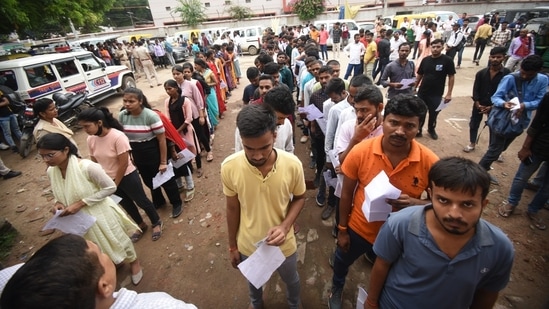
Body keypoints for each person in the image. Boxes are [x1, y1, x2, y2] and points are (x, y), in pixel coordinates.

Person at [328, 94, 439, 309]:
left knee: (389, 269)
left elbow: (441, 203)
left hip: (403, 235)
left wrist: (416, 203)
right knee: (342, 260)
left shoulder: (430, 162)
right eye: (394, 122)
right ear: (383, 120)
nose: (399, 131)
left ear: (418, 128)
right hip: (360, 228)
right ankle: (337, 286)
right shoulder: (361, 150)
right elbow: (347, 193)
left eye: (409, 125)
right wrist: (342, 229)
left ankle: (377, 297)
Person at [364, 157, 514, 309]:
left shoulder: (499, 248)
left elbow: (488, 293)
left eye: (467, 204)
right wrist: (371, 302)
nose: (454, 214)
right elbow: (382, 264)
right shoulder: (400, 224)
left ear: (483, 204)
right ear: (431, 195)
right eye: (443, 201)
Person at [222, 104, 306, 309]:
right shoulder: (229, 167)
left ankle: (294, 304)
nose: (257, 156)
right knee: (254, 281)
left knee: (291, 279)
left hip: (284, 245)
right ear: (241, 139)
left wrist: (285, 227)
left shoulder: (293, 164)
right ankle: (256, 303)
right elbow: (232, 209)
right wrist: (233, 246)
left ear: (275, 136)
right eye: (249, 148)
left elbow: (300, 197)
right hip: (248, 245)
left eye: (264, 147)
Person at [35, 133, 144, 285]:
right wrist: (58, 203)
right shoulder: (51, 171)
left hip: (100, 214)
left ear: (66, 150)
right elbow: (59, 191)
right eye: (42, 156)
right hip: (79, 220)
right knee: (94, 246)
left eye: (50, 155)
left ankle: (134, 263)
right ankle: (114, 262)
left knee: (117, 239)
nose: (46, 160)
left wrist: (81, 203)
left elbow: (110, 188)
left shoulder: (87, 167)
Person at [0, 234, 197, 309]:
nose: (105, 254)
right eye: (100, 253)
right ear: (104, 286)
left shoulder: (12, 283)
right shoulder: (160, 306)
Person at [77, 108, 164, 242]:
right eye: (83, 127)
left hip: (127, 176)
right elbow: (94, 159)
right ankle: (140, 224)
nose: (85, 130)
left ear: (99, 123)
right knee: (126, 204)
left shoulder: (117, 136)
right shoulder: (91, 139)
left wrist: (114, 184)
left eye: (87, 126)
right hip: (108, 179)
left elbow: (123, 164)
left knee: (141, 201)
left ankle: (156, 222)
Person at [478, 55, 548, 184]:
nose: (525, 77)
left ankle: (483, 170)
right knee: (494, 151)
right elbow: (496, 97)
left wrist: (525, 105)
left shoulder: (543, 80)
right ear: (520, 67)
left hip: (520, 122)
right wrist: (504, 104)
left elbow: (541, 101)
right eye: (523, 73)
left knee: (501, 148)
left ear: (538, 72)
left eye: (530, 74)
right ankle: (478, 175)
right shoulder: (510, 78)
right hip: (501, 120)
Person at [118, 88, 184, 218]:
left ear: (140, 101)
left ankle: (176, 203)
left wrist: (163, 162)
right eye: (125, 101)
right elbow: (124, 138)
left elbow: (161, 140)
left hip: (153, 150)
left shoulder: (151, 116)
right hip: (137, 151)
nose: (127, 104)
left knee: (166, 179)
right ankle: (159, 201)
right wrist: (131, 157)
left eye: (131, 101)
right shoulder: (123, 116)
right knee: (149, 180)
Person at [497, 91, 549, 229]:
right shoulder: (548, 96)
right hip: (539, 147)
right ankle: (512, 202)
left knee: (547, 188)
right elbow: (537, 123)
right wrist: (526, 146)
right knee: (522, 177)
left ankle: (534, 210)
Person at [463, 47, 511, 153]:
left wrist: (493, 106)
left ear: (504, 58)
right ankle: (472, 143)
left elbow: (507, 93)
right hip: (479, 103)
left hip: (496, 106)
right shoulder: (481, 73)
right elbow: (476, 89)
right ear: (489, 57)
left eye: (498, 57)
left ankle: (493, 149)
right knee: (474, 123)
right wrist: (477, 103)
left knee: (494, 127)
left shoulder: (507, 74)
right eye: (493, 57)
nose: (495, 59)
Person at [163, 79, 199, 203]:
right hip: (174, 134)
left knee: (187, 156)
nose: (168, 91)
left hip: (185, 131)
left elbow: (188, 118)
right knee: (178, 159)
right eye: (166, 89)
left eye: (170, 88)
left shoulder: (185, 101)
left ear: (176, 88)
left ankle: (190, 184)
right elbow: (168, 119)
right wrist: (172, 133)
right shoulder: (167, 102)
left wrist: (177, 132)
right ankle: (180, 184)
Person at [415, 39, 455, 140]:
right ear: (430, 47)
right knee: (420, 112)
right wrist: (414, 87)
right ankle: (419, 130)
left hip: (436, 94)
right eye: (433, 47)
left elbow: (451, 77)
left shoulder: (447, 60)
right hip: (423, 92)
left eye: (438, 47)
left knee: (434, 113)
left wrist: (449, 93)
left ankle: (431, 129)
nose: (435, 49)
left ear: (442, 47)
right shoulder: (425, 60)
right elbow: (420, 74)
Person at [235, 86, 295, 153]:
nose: (282, 122)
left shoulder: (286, 124)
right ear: (266, 109)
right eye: (279, 118)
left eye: (285, 118)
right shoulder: (245, 127)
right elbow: (239, 152)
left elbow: (289, 149)